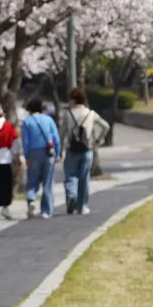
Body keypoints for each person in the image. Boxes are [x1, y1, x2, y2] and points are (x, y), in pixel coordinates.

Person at [60, 87, 110, 216]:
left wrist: (60, 149)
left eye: (70, 98)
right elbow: (106, 126)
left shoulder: (68, 114)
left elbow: (63, 133)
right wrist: (98, 140)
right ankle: (82, 207)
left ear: (74, 100)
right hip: (87, 148)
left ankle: (71, 195)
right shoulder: (91, 114)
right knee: (84, 178)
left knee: (70, 175)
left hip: (71, 149)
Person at [21, 98, 63, 219]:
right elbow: (56, 138)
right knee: (47, 182)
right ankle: (46, 211)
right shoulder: (49, 119)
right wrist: (58, 153)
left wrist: (27, 156)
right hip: (48, 152)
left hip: (33, 153)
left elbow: (26, 142)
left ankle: (31, 199)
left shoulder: (27, 122)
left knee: (32, 180)